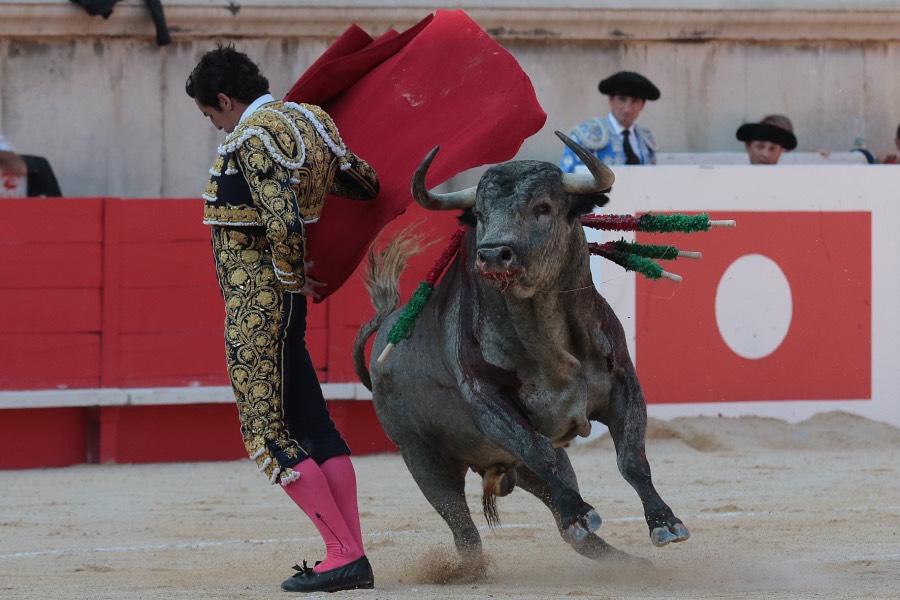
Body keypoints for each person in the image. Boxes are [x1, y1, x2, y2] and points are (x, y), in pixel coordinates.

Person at [186, 45, 379, 594]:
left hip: (256, 302)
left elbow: (284, 221)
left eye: (211, 115)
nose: (216, 126)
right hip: (284, 301)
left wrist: (290, 277)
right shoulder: (311, 119)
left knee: (267, 432)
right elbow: (364, 182)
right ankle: (352, 553)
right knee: (312, 422)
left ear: (225, 100)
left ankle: (341, 552)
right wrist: (299, 277)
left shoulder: (252, 138)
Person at [560, 70, 660, 171]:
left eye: (635, 101)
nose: (627, 109)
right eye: (622, 99)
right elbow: (568, 179)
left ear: (642, 105)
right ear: (611, 99)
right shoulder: (584, 135)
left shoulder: (646, 140)